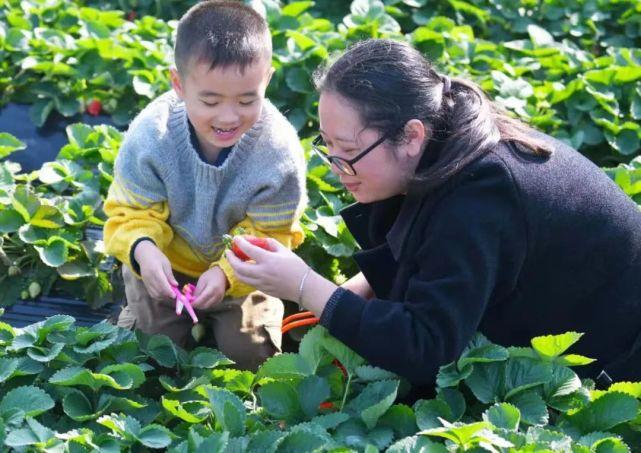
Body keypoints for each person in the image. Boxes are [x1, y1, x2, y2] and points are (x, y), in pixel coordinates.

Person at [224, 38, 641, 392]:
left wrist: (305, 285)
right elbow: (429, 250)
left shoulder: (482, 196)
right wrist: (347, 295)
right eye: (327, 144)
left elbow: (426, 348)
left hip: (619, 359)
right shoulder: (452, 132)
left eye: (348, 151)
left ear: (411, 135)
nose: (335, 166)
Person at [103, 0, 306, 371]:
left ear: (268, 80)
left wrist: (227, 274)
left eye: (247, 100)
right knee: (153, 351)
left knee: (249, 354)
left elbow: (272, 234)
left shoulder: (278, 154)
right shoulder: (151, 137)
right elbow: (129, 213)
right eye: (210, 100)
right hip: (167, 268)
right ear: (178, 84)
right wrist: (145, 252)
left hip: (244, 275)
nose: (228, 116)